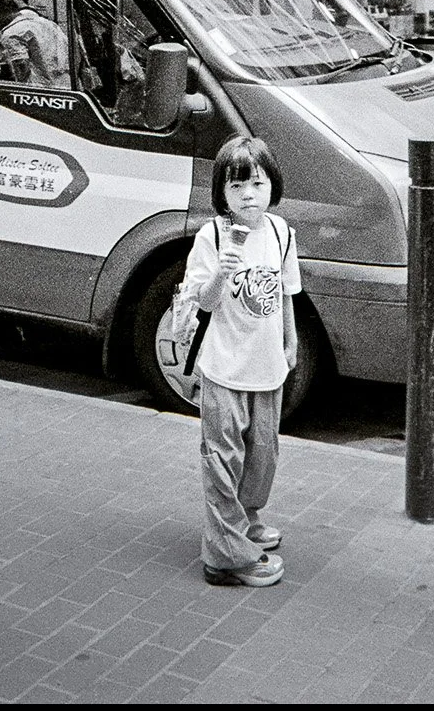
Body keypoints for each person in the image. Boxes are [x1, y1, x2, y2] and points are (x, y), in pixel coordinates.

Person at [174, 137, 302, 589]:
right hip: (224, 367)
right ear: (222, 195)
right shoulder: (212, 237)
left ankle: (244, 521)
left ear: (272, 186)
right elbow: (202, 304)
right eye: (237, 186)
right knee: (223, 459)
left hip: (267, 366)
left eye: (257, 183)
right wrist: (222, 272)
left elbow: (286, 293)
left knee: (262, 455)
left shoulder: (281, 232)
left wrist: (291, 341)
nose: (249, 194)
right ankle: (226, 557)